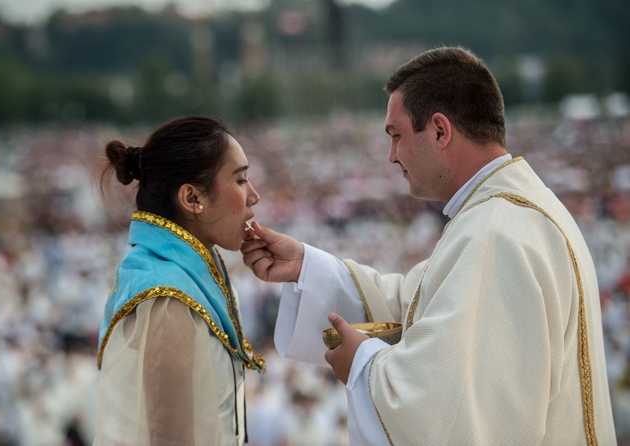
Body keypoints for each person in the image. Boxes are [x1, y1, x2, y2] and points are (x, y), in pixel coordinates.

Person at [241, 47, 617, 445]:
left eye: (396, 136)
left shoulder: (493, 234)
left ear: (440, 130)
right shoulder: (505, 213)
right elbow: (414, 305)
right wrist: (306, 267)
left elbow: (451, 410)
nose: (391, 156)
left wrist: (363, 366)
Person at [93, 115, 265, 445]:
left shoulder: (190, 269)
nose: (254, 196)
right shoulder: (167, 301)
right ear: (192, 199)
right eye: (241, 180)